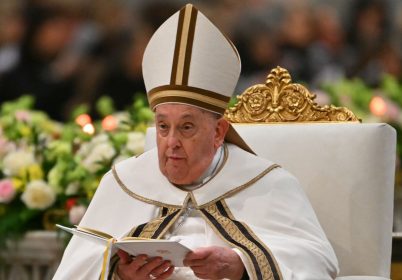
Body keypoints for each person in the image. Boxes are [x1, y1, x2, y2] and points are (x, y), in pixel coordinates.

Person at [53, 4, 339, 280]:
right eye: (163, 126)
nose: (171, 142)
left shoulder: (266, 183)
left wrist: (241, 265)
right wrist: (120, 273)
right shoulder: (124, 182)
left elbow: (317, 260)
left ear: (218, 132)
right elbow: (78, 267)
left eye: (187, 127)